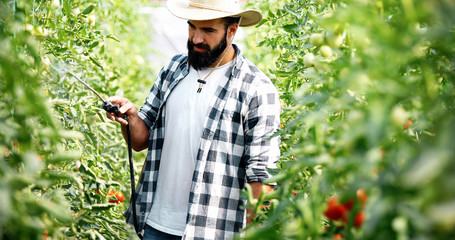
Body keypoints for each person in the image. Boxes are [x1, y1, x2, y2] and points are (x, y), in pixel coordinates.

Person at [106, 0, 281, 239]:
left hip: (215, 230)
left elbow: (262, 175)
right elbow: (139, 140)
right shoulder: (173, 69)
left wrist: (254, 232)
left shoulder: (256, 89)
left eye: (208, 30)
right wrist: (131, 117)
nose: (196, 38)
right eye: (192, 27)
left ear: (232, 30)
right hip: (157, 224)